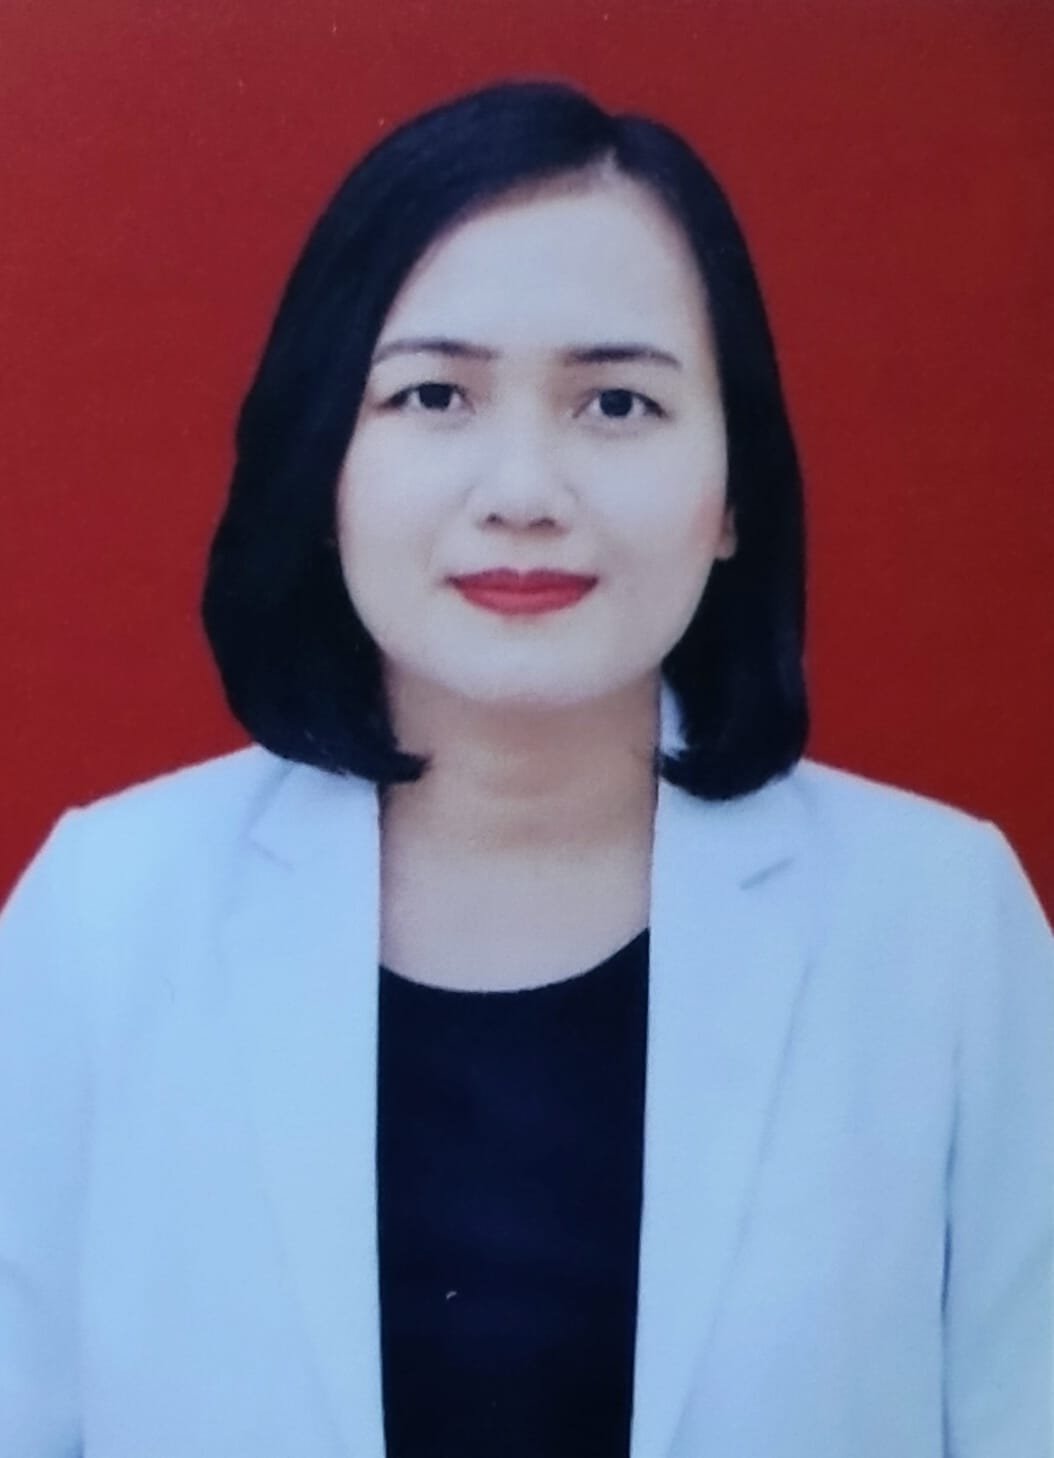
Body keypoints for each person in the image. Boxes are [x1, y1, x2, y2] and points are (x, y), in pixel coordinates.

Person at [0, 80, 1050, 1458]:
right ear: (325, 465)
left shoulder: (938, 926)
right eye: (433, 394)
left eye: (616, 402)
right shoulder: (106, 914)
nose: (522, 491)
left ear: (734, 493)